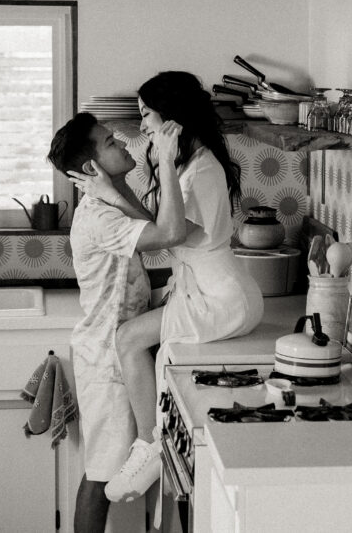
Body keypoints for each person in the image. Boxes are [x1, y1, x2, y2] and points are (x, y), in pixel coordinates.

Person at [68, 71, 264, 504]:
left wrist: (156, 166)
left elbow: (168, 235)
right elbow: (160, 229)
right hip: (209, 293)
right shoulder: (191, 163)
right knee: (131, 340)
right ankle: (151, 442)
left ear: (170, 118)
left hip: (221, 299)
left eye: (145, 116)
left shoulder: (201, 169)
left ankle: (148, 444)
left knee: (129, 338)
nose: (140, 128)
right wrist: (119, 189)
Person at [47, 112, 184, 533]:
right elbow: (165, 236)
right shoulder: (97, 217)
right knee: (100, 474)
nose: (124, 144)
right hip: (108, 358)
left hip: (125, 346)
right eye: (110, 142)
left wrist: (116, 187)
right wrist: (165, 157)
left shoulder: (111, 199)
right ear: (91, 167)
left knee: (122, 466)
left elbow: (153, 225)